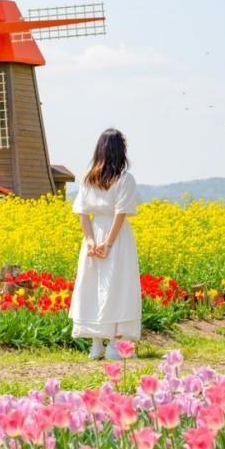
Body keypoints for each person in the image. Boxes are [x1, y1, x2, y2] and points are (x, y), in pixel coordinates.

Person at [68, 128, 141, 360]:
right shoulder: (125, 179)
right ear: (121, 151)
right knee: (117, 286)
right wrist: (107, 244)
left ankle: (95, 345)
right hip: (116, 239)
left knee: (93, 286)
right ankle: (113, 345)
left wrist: (91, 241)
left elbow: (82, 213)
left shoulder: (88, 177)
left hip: (94, 234)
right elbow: (120, 214)